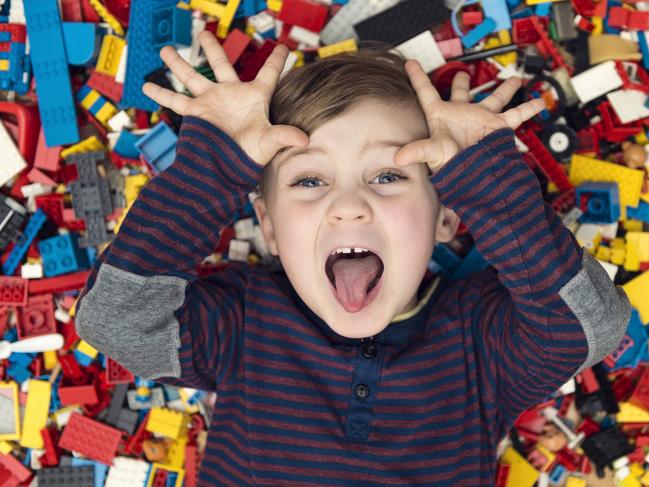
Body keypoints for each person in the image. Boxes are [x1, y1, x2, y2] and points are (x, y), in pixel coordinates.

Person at [74, 31, 631, 486]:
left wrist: (485, 180)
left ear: (448, 215)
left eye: (388, 176)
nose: (348, 206)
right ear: (267, 224)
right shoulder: (246, 321)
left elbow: (589, 327)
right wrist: (212, 170)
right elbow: (116, 320)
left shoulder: (481, 340)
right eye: (310, 179)